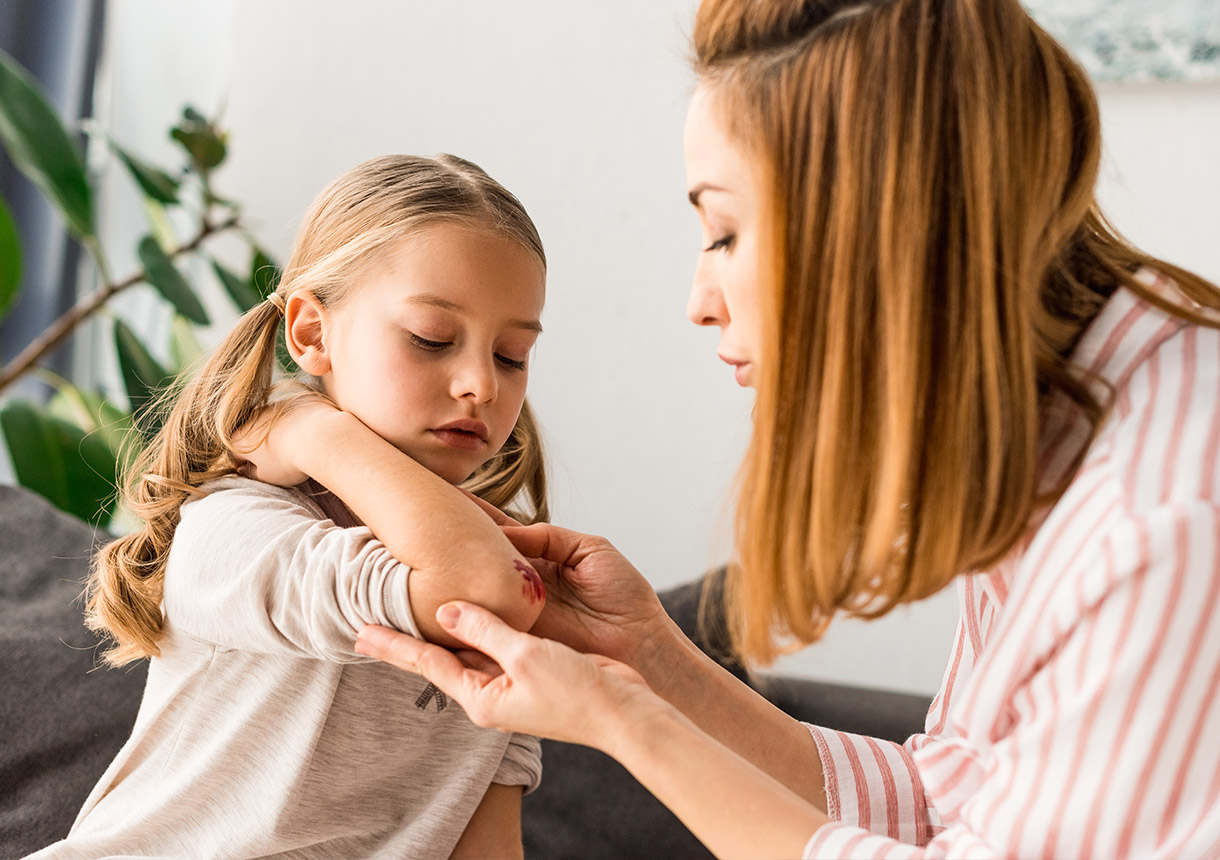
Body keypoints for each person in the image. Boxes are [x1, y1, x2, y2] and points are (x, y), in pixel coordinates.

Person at [353, 1, 1220, 858]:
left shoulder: (1163, 516)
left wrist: (620, 720)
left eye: (724, 233)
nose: (698, 302)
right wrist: (650, 659)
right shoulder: (1066, 434)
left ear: (877, 232)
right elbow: (949, 801)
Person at [29, 154, 551, 860]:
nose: (482, 386)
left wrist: (306, 428)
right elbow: (480, 591)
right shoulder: (235, 526)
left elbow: (487, 842)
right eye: (432, 338)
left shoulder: (502, 571)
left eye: (513, 354)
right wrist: (312, 429)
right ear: (309, 334)